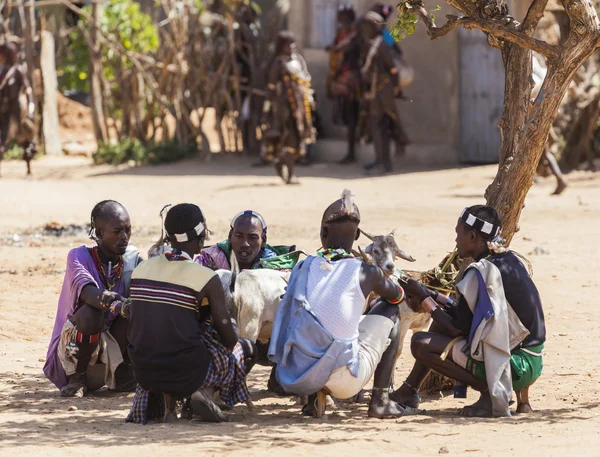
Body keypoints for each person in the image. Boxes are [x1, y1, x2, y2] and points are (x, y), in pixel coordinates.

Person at [268, 190, 419, 419]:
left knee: (313, 324)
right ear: (357, 235)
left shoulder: (303, 267)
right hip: (344, 382)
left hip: (296, 374)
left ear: (323, 232)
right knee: (391, 311)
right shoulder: (367, 272)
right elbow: (397, 297)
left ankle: (312, 399)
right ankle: (380, 401)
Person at [390, 205, 546, 417]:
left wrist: (424, 298)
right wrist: (434, 296)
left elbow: (456, 329)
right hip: (532, 360)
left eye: (458, 234)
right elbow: (470, 315)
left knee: (421, 344)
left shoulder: (480, 272)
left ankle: (490, 395)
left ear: (472, 236)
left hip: (515, 366)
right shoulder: (509, 260)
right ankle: (408, 391)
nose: (455, 241)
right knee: (438, 321)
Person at [126, 204, 254, 423]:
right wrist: (228, 322)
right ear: (202, 234)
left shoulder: (141, 269)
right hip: (186, 373)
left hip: (143, 372)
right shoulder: (205, 277)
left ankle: (167, 403)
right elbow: (229, 339)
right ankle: (205, 393)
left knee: (176, 333)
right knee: (243, 348)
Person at [43, 200, 141, 397]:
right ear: (98, 234)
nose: (124, 237)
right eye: (117, 231)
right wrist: (119, 305)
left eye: (128, 230)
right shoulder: (78, 256)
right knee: (93, 312)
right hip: (72, 355)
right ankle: (77, 378)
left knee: (140, 307)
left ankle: (122, 372)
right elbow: (89, 294)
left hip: (108, 354)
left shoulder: (133, 261)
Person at [356, 11, 409, 175]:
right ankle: (380, 161)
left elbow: (392, 70)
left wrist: (395, 89)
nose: (364, 30)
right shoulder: (368, 44)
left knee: (381, 125)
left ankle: (385, 160)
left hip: (382, 91)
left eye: (367, 26)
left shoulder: (382, 45)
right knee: (376, 126)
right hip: (372, 92)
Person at [261, 31, 316, 184]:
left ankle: (285, 167)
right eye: (288, 44)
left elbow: (305, 82)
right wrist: (266, 112)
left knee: (297, 141)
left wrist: (308, 98)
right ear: (281, 46)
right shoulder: (278, 64)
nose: (291, 47)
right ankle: (285, 170)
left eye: (293, 43)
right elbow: (271, 90)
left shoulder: (298, 60)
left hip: (300, 109)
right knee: (287, 141)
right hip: (283, 110)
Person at [196, 210, 301, 271]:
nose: (245, 244)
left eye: (252, 238)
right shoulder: (212, 258)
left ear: (263, 240)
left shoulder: (275, 267)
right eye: (239, 236)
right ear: (230, 236)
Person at [326, 5, 361, 165]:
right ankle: (350, 151)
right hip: (341, 79)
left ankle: (352, 152)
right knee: (347, 116)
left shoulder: (356, 37)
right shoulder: (341, 35)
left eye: (345, 19)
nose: (342, 22)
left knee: (353, 116)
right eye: (340, 19)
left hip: (353, 81)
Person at [0, 43, 37, 177]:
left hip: (18, 111)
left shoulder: (18, 70)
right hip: (6, 110)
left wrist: (30, 109)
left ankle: (28, 168)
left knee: (25, 140)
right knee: (2, 139)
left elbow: (28, 91)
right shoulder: (3, 71)